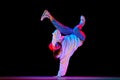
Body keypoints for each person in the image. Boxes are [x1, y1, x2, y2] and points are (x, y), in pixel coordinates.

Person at [40, 10, 86, 77]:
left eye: (56, 45)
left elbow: (57, 32)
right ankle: (82, 23)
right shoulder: (65, 55)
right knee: (76, 29)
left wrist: (54, 43)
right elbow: (63, 66)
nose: (57, 44)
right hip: (80, 38)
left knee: (61, 28)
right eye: (57, 46)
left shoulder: (57, 43)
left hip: (71, 34)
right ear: (60, 50)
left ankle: (49, 15)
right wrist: (58, 75)